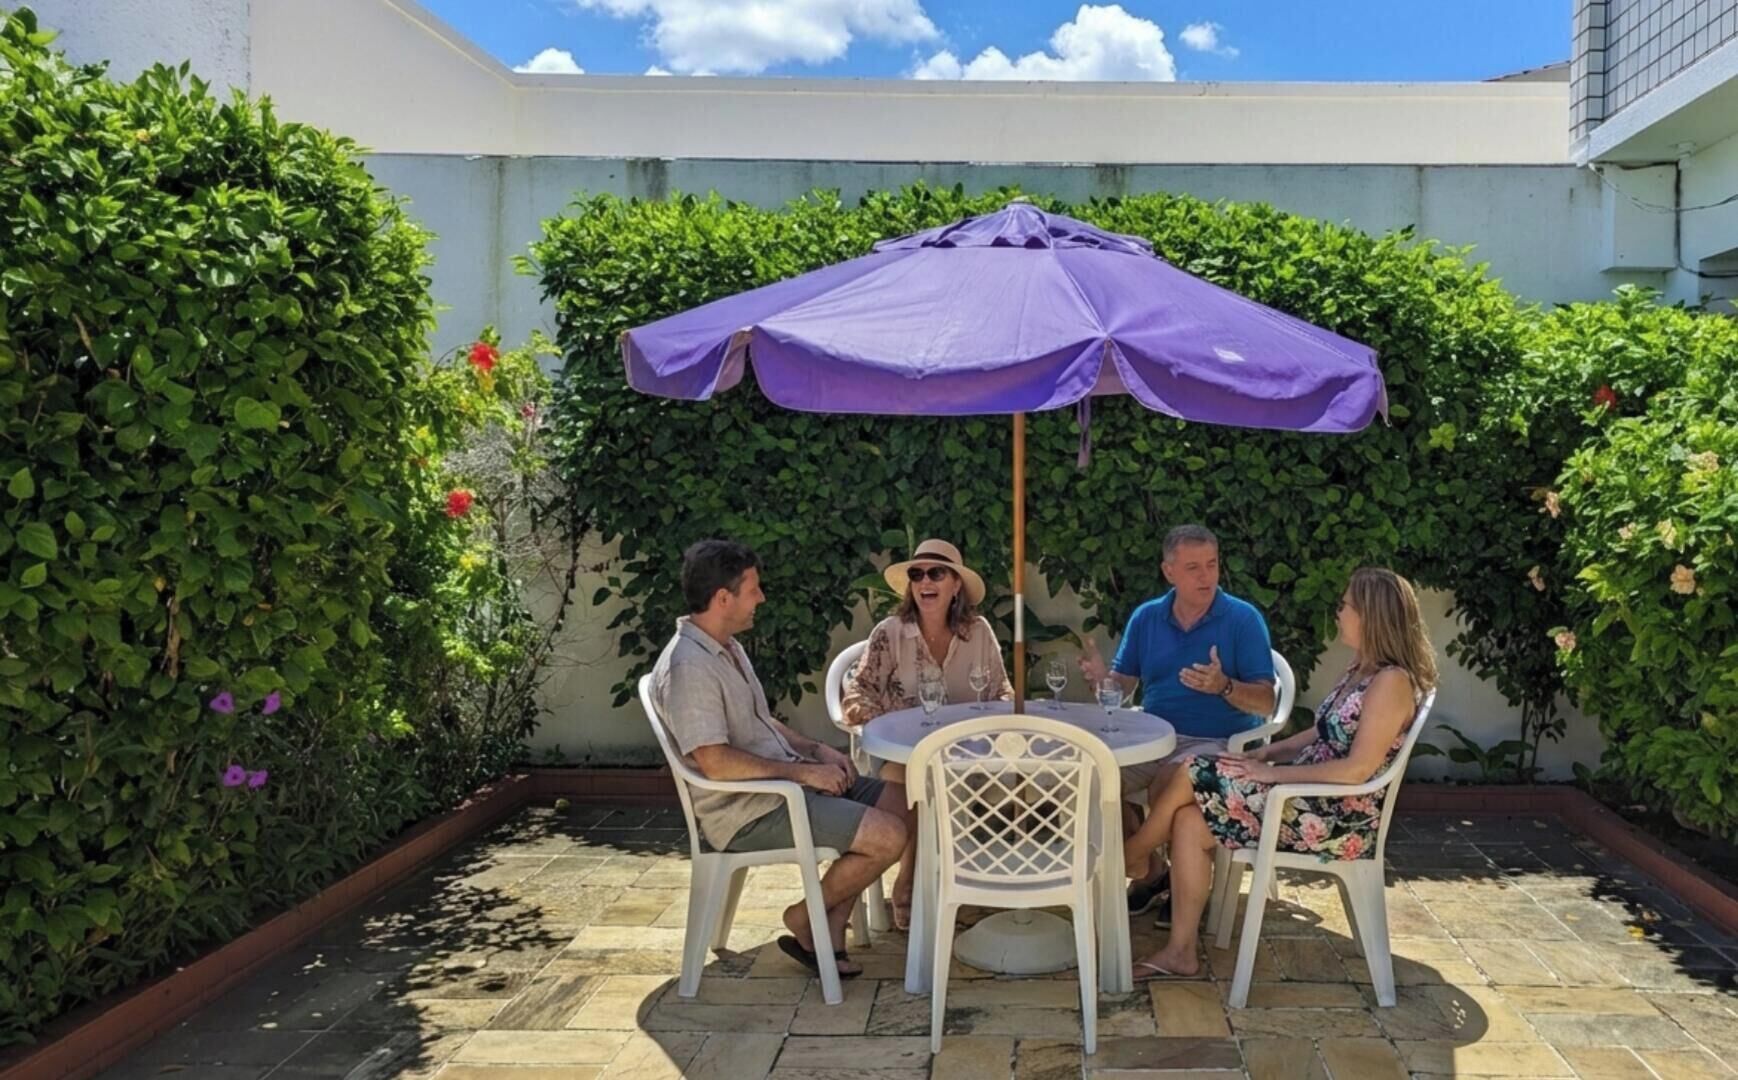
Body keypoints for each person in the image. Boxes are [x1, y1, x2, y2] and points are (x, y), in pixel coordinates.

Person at [1125, 567, 1438, 980]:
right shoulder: (1363, 669)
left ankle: (1134, 854)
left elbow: (1357, 769)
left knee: (1190, 770)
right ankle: (1180, 951)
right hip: (1302, 796)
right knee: (1187, 819)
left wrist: (1271, 774)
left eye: (1345, 606)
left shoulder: (1390, 683)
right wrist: (1268, 753)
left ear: (1370, 616)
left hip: (1328, 814)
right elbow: (1322, 730)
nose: (1339, 612)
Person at [652, 539, 909, 977]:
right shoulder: (689, 668)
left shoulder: (725, 647)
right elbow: (714, 761)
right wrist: (803, 773)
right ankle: (806, 916)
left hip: (785, 787)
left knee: (907, 803)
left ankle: (826, 920)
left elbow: (762, 722)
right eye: (754, 589)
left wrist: (815, 748)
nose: (762, 598)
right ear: (723, 598)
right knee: (886, 837)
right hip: (752, 809)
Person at [1079, 524, 1277, 923]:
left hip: (1219, 740)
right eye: (1193, 568)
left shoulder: (1242, 619)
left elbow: (1267, 699)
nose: (1206, 576)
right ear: (1169, 572)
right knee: (1090, 778)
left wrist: (1223, 686)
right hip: (1153, 738)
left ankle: (1130, 859)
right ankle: (1152, 871)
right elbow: (1124, 685)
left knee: (1167, 782)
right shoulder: (1147, 617)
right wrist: (1104, 681)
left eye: (1212, 565)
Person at [841, 538, 1011, 928]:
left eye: (936, 573)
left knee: (943, 778)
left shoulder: (979, 632)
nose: (924, 581)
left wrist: (996, 713)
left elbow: (1003, 691)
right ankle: (909, 884)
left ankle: (947, 883)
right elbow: (857, 693)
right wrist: (886, 722)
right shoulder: (890, 632)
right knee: (916, 779)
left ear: (956, 586)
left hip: (963, 754)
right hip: (899, 756)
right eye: (917, 574)